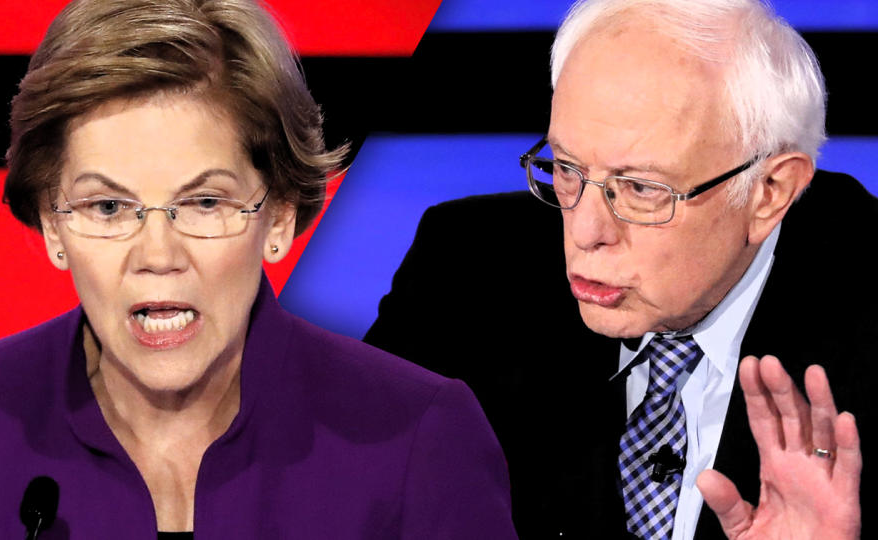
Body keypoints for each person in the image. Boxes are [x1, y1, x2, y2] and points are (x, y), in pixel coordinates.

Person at [0, 0, 518, 538]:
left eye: (204, 202)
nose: (157, 256)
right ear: (53, 225)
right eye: (108, 206)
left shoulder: (418, 437)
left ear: (279, 216)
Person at [365, 0, 869, 538]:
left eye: (643, 188)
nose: (585, 232)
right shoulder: (466, 267)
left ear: (770, 192)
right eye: (566, 168)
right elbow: (341, 496)